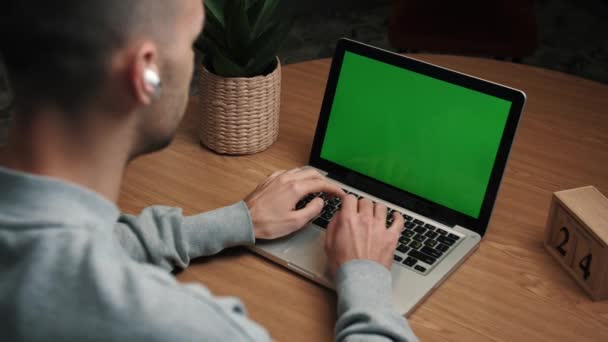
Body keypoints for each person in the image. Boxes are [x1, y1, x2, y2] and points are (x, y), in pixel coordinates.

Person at [0, 1, 418, 341]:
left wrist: (237, 221)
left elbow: (63, 250)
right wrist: (366, 278)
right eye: (190, 44)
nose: (190, 62)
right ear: (145, 74)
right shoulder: (187, 326)